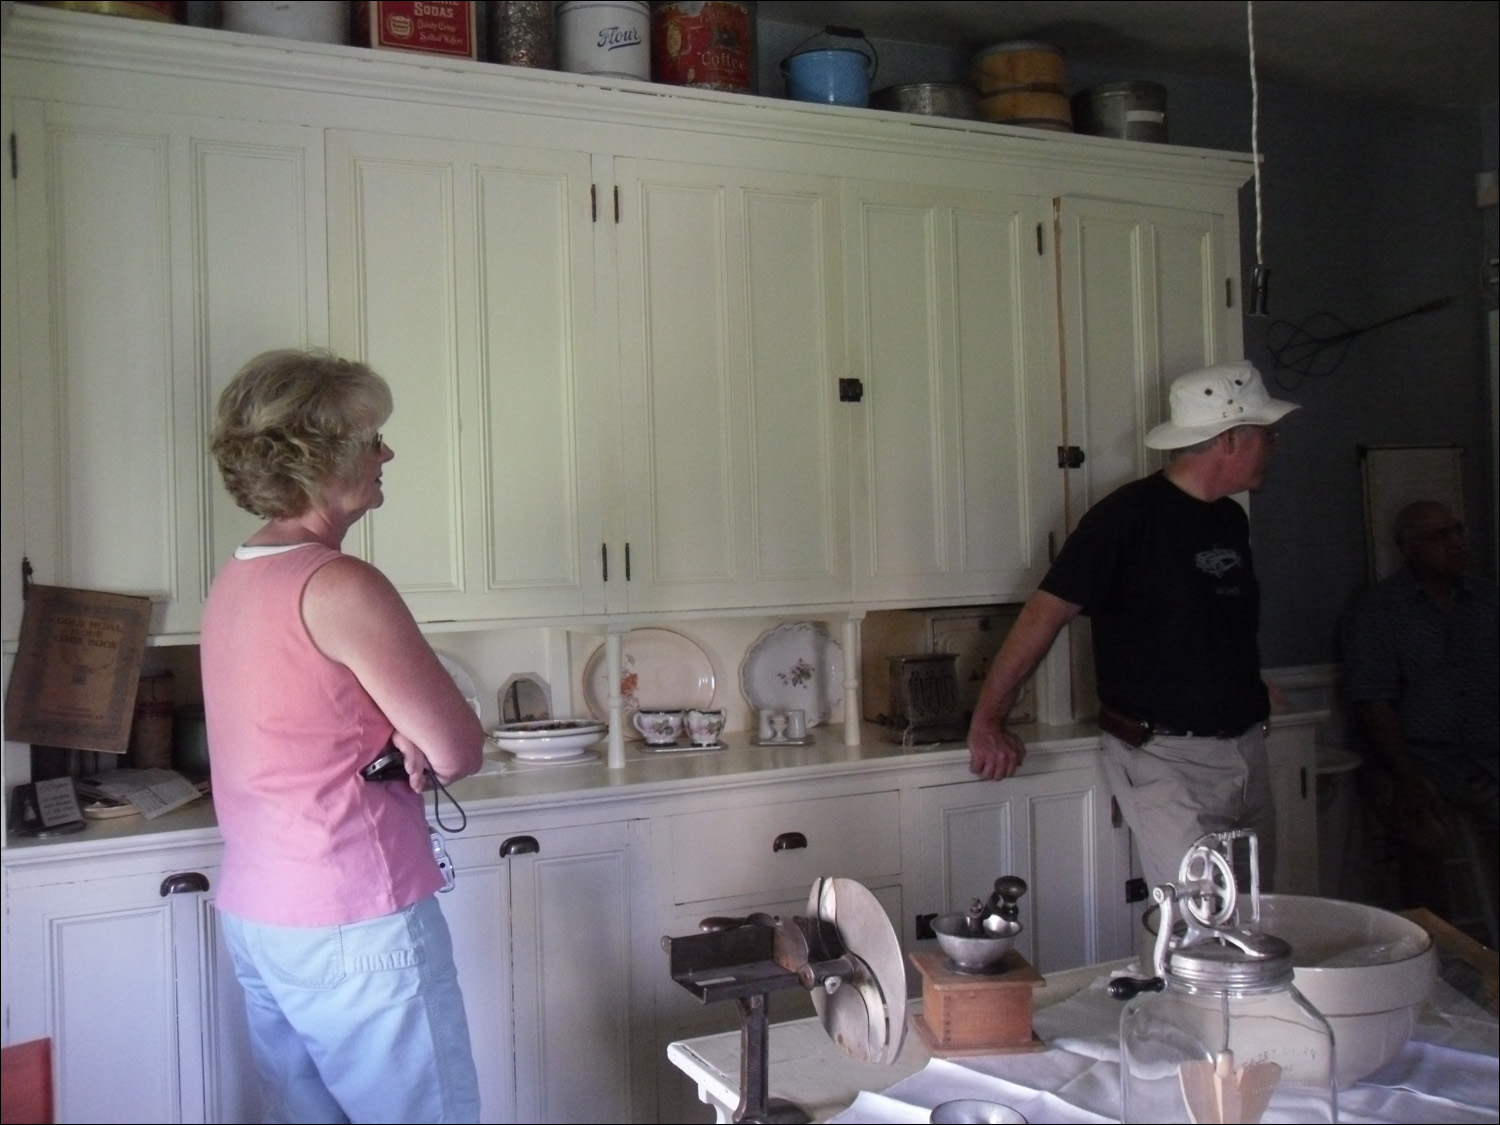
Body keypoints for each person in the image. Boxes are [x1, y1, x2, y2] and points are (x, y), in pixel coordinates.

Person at [200, 349, 485, 1124]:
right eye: (370, 438)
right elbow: (457, 747)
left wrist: (393, 718)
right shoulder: (341, 585)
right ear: (316, 455)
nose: (386, 453)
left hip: (261, 916)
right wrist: (411, 725)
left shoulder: (236, 579)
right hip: (355, 920)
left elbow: (309, 717)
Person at [967, 360, 1299, 891]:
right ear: (1231, 439)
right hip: (1168, 763)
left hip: (1246, 752)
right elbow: (1043, 616)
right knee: (1199, 932)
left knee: (1255, 920)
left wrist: (1243, 678)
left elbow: (1214, 616)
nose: (1275, 446)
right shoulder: (1126, 520)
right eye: (1268, 434)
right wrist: (988, 721)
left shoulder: (1229, 518)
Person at [1343, 501, 1498, 927]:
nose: (1456, 544)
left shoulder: (1485, 602)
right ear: (1408, 550)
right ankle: (1439, 948)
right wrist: (1407, 778)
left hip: (1484, 758)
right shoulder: (1381, 611)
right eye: (1440, 537)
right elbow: (1375, 704)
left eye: (1458, 531)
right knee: (1421, 832)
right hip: (1416, 760)